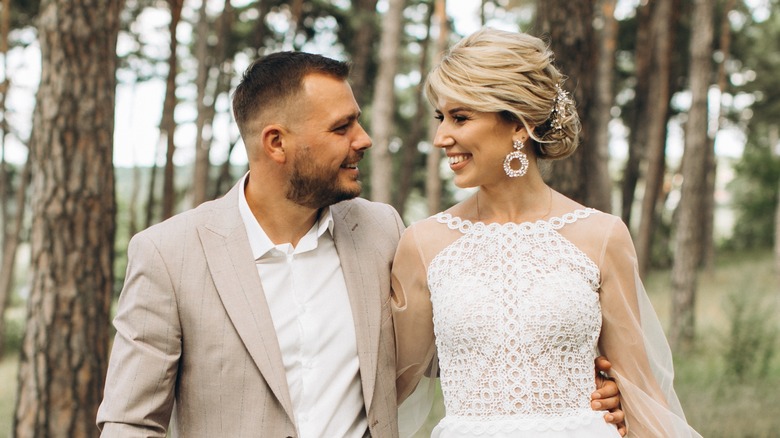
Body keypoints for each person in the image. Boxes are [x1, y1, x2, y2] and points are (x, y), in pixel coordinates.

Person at [96, 51, 623, 437]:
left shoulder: (381, 232)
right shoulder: (169, 253)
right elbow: (128, 421)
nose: (364, 139)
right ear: (276, 142)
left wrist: (582, 383)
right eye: (342, 127)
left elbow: (450, 347)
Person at [391, 28, 701, 437]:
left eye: (460, 117)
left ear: (519, 125)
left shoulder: (601, 235)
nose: (440, 138)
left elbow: (640, 386)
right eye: (441, 117)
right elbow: (393, 382)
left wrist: (620, 398)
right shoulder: (423, 243)